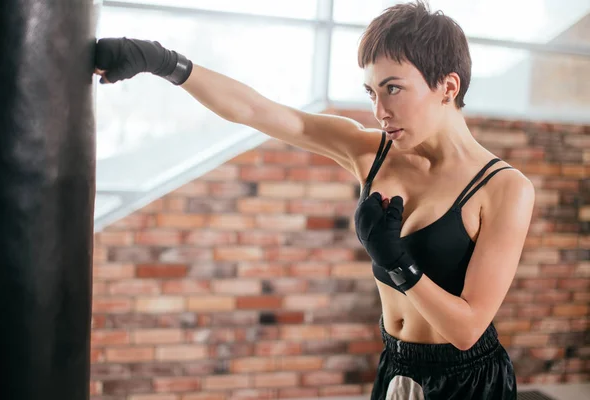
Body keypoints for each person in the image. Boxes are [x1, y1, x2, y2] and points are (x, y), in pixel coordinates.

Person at [94, 1, 534, 398]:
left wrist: (399, 263)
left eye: (393, 89)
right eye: (371, 92)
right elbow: (258, 111)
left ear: (448, 86)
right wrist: (163, 61)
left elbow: (466, 328)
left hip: (469, 382)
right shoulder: (370, 152)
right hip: (396, 368)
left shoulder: (503, 189)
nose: (379, 110)